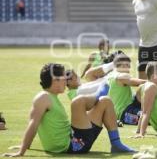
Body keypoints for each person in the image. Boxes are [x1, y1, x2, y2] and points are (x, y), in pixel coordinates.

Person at [3, 63, 135, 157]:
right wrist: (22, 151)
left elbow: (36, 123)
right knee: (78, 102)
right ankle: (97, 96)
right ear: (55, 80)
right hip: (73, 145)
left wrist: (24, 146)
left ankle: (116, 144)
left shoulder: (50, 97)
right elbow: (33, 124)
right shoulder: (43, 98)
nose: (66, 82)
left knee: (106, 101)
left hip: (75, 140)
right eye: (63, 78)